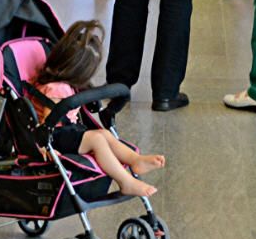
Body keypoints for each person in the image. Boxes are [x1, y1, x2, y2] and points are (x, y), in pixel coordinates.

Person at [31, 20, 165, 197]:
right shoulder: (55, 89)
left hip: (69, 133)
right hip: (55, 137)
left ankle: (135, 160)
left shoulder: (65, 84)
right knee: (97, 139)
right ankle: (126, 181)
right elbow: (49, 121)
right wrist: (45, 147)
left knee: (104, 134)